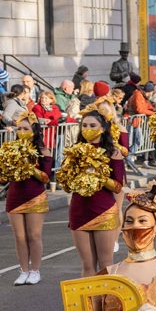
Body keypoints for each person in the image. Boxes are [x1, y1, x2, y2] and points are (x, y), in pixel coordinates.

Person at [62, 111, 126, 276]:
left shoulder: (114, 153)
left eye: (92, 125)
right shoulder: (73, 152)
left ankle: (105, 302)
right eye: (84, 125)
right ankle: (90, 302)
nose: (87, 129)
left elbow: (118, 187)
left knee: (105, 263)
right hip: (79, 210)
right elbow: (67, 186)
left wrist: (97, 174)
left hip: (103, 211)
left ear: (103, 128)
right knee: (87, 264)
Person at [1, 112, 50, 285]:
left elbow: (46, 177)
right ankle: (23, 271)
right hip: (14, 197)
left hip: (35, 196)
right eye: (19, 128)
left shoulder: (43, 151)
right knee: (19, 237)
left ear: (34, 130)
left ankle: (35, 271)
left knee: (34, 235)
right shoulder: (9, 149)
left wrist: (28, 166)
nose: (21, 131)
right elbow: (3, 178)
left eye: (25, 128)